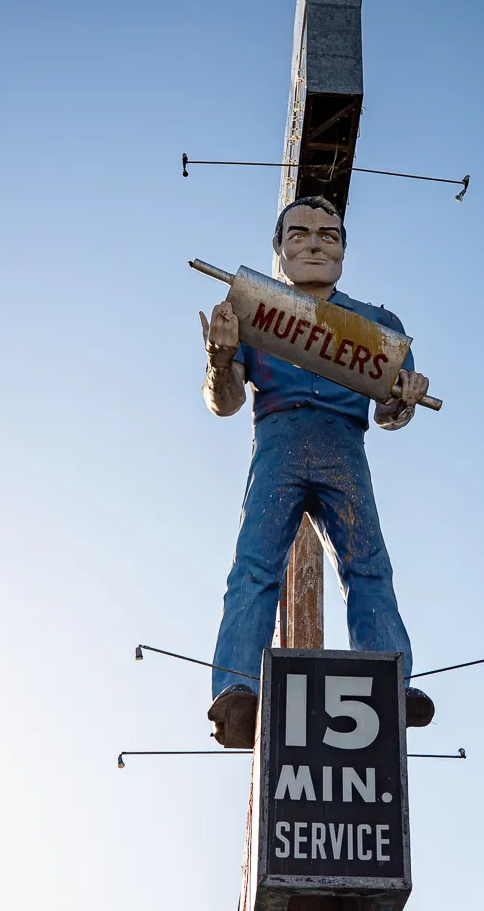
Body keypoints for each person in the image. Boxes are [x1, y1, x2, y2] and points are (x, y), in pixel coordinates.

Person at [199, 195, 434, 749]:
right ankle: (235, 688)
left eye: (328, 235)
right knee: (254, 565)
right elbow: (224, 401)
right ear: (278, 247)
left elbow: (390, 412)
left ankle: (392, 683)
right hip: (276, 439)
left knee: (369, 565)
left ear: (344, 251)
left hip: (343, 444)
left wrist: (405, 397)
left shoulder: (378, 325)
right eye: (299, 233)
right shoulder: (250, 311)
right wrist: (218, 359)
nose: (313, 243)